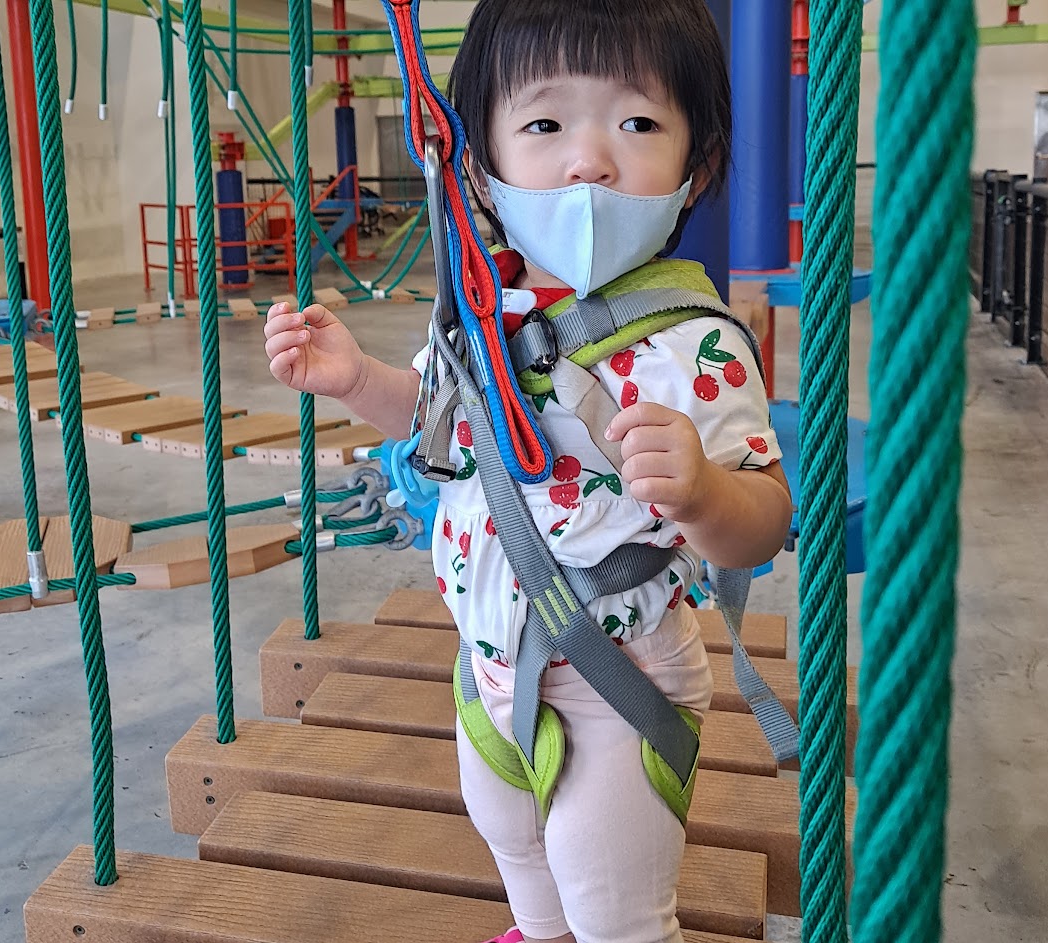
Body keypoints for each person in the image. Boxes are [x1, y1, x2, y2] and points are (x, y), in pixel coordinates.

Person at [265, 2, 791, 940]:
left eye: (637, 122)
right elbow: (437, 420)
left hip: (618, 676)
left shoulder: (696, 346)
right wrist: (356, 381)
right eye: (545, 123)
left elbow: (765, 521)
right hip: (488, 662)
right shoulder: (482, 309)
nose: (589, 161)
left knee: (611, 899)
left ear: (698, 164)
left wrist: (707, 493)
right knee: (512, 838)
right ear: (482, 167)